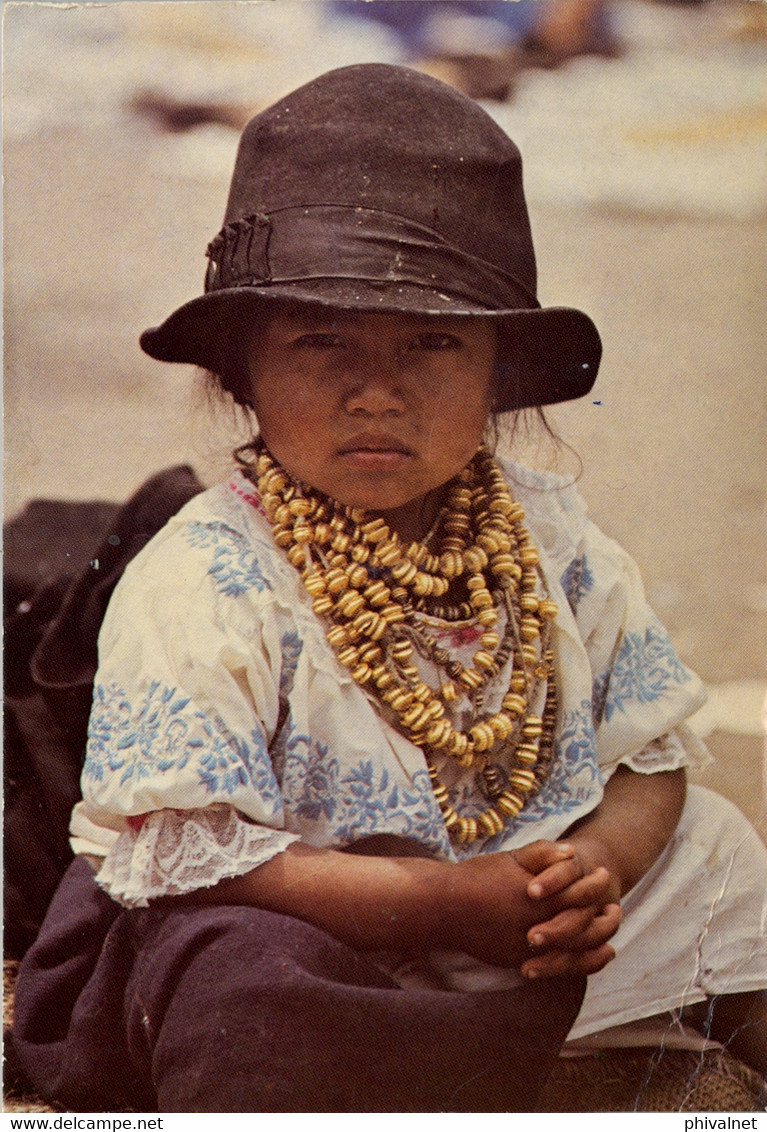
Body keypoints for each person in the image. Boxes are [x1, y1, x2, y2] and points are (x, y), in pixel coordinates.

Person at [12, 63, 766, 1113]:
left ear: (499, 373)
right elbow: (196, 857)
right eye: (320, 340)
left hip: (522, 921)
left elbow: (646, 756)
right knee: (236, 970)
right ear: (242, 372)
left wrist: (587, 870)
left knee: (718, 849)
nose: (377, 390)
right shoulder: (210, 575)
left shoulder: (550, 540)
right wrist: (446, 904)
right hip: (313, 923)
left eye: (433, 342)